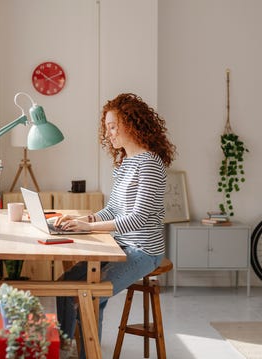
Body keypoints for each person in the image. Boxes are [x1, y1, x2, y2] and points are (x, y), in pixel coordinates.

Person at [56, 93, 176, 359]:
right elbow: (113, 210)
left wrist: (87, 229)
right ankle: (65, 349)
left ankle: (89, 354)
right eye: (107, 127)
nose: (108, 134)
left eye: (113, 126)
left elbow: (138, 219)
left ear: (132, 124)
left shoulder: (151, 165)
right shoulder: (124, 164)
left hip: (144, 251)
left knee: (91, 295)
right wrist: (83, 221)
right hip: (120, 244)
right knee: (66, 284)